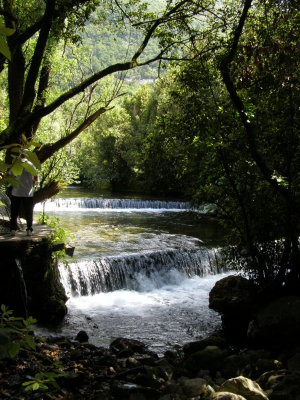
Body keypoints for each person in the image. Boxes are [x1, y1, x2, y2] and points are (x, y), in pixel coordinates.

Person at [9, 162, 38, 236]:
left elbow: (9, 175)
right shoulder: (31, 164)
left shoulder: (16, 164)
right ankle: (29, 229)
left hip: (16, 191)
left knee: (14, 211)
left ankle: (13, 229)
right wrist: (32, 182)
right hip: (28, 192)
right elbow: (36, 177)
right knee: (29, 212)